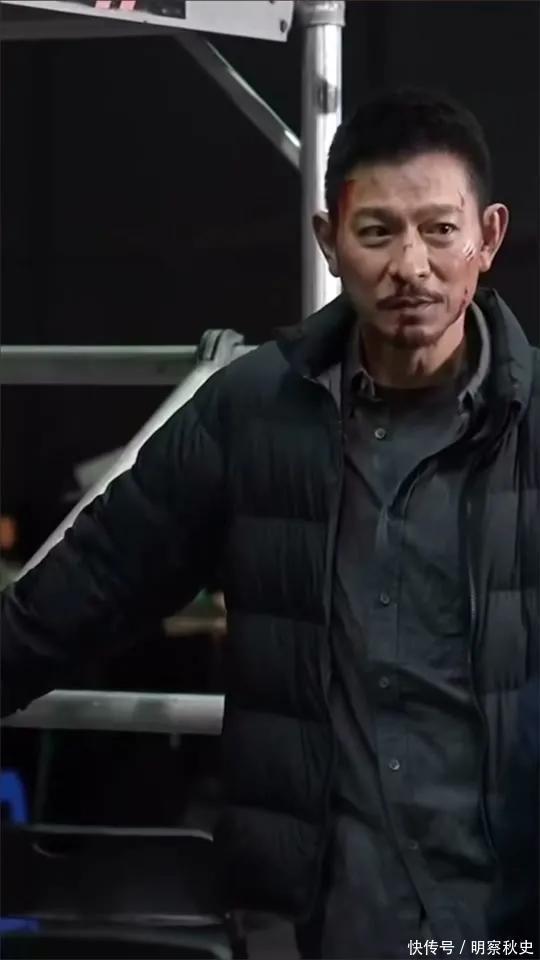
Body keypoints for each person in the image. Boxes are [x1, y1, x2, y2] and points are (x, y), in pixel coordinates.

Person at [2, 87, 539, 959]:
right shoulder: (254, 413)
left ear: (489, 236)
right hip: (322, 920)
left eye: (441, 230)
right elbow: (86, 587)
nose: (412, 265)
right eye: (377, 232)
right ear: (330, 240)